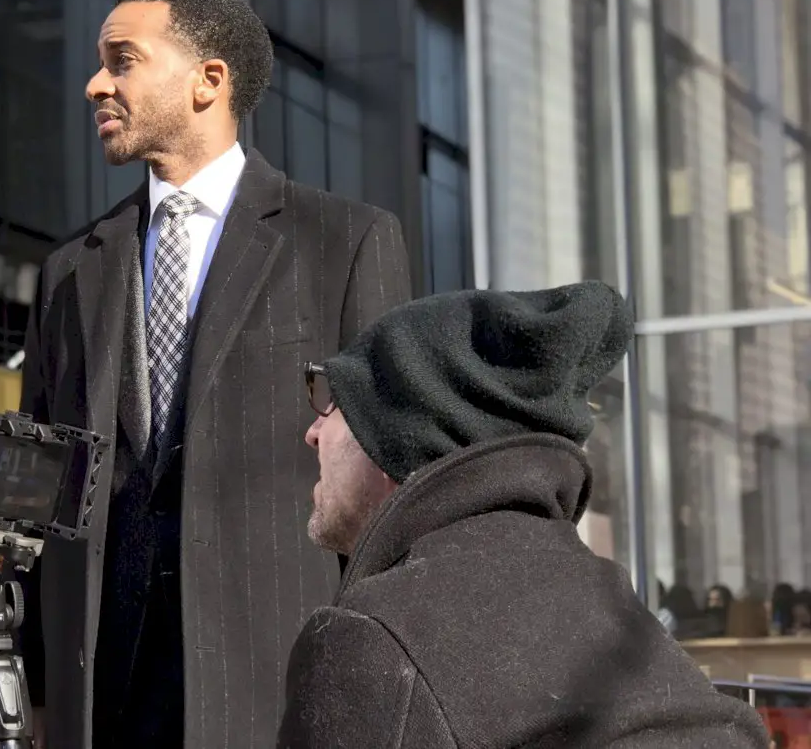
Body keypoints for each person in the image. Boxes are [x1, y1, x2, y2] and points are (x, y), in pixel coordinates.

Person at [16, 0, 413, 749]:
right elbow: (37, 497)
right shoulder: (71, 270)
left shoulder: (346, 242)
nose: (97, 84)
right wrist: (34, 686)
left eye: (122, 60)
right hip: (99, 698)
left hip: (276, 687)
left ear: (209, 81)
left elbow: (392, 485)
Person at [278, 281, 770, 748]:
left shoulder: (372, 644)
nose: (313, 434)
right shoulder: (615, 614)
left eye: (335, 402)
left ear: (395, 435)